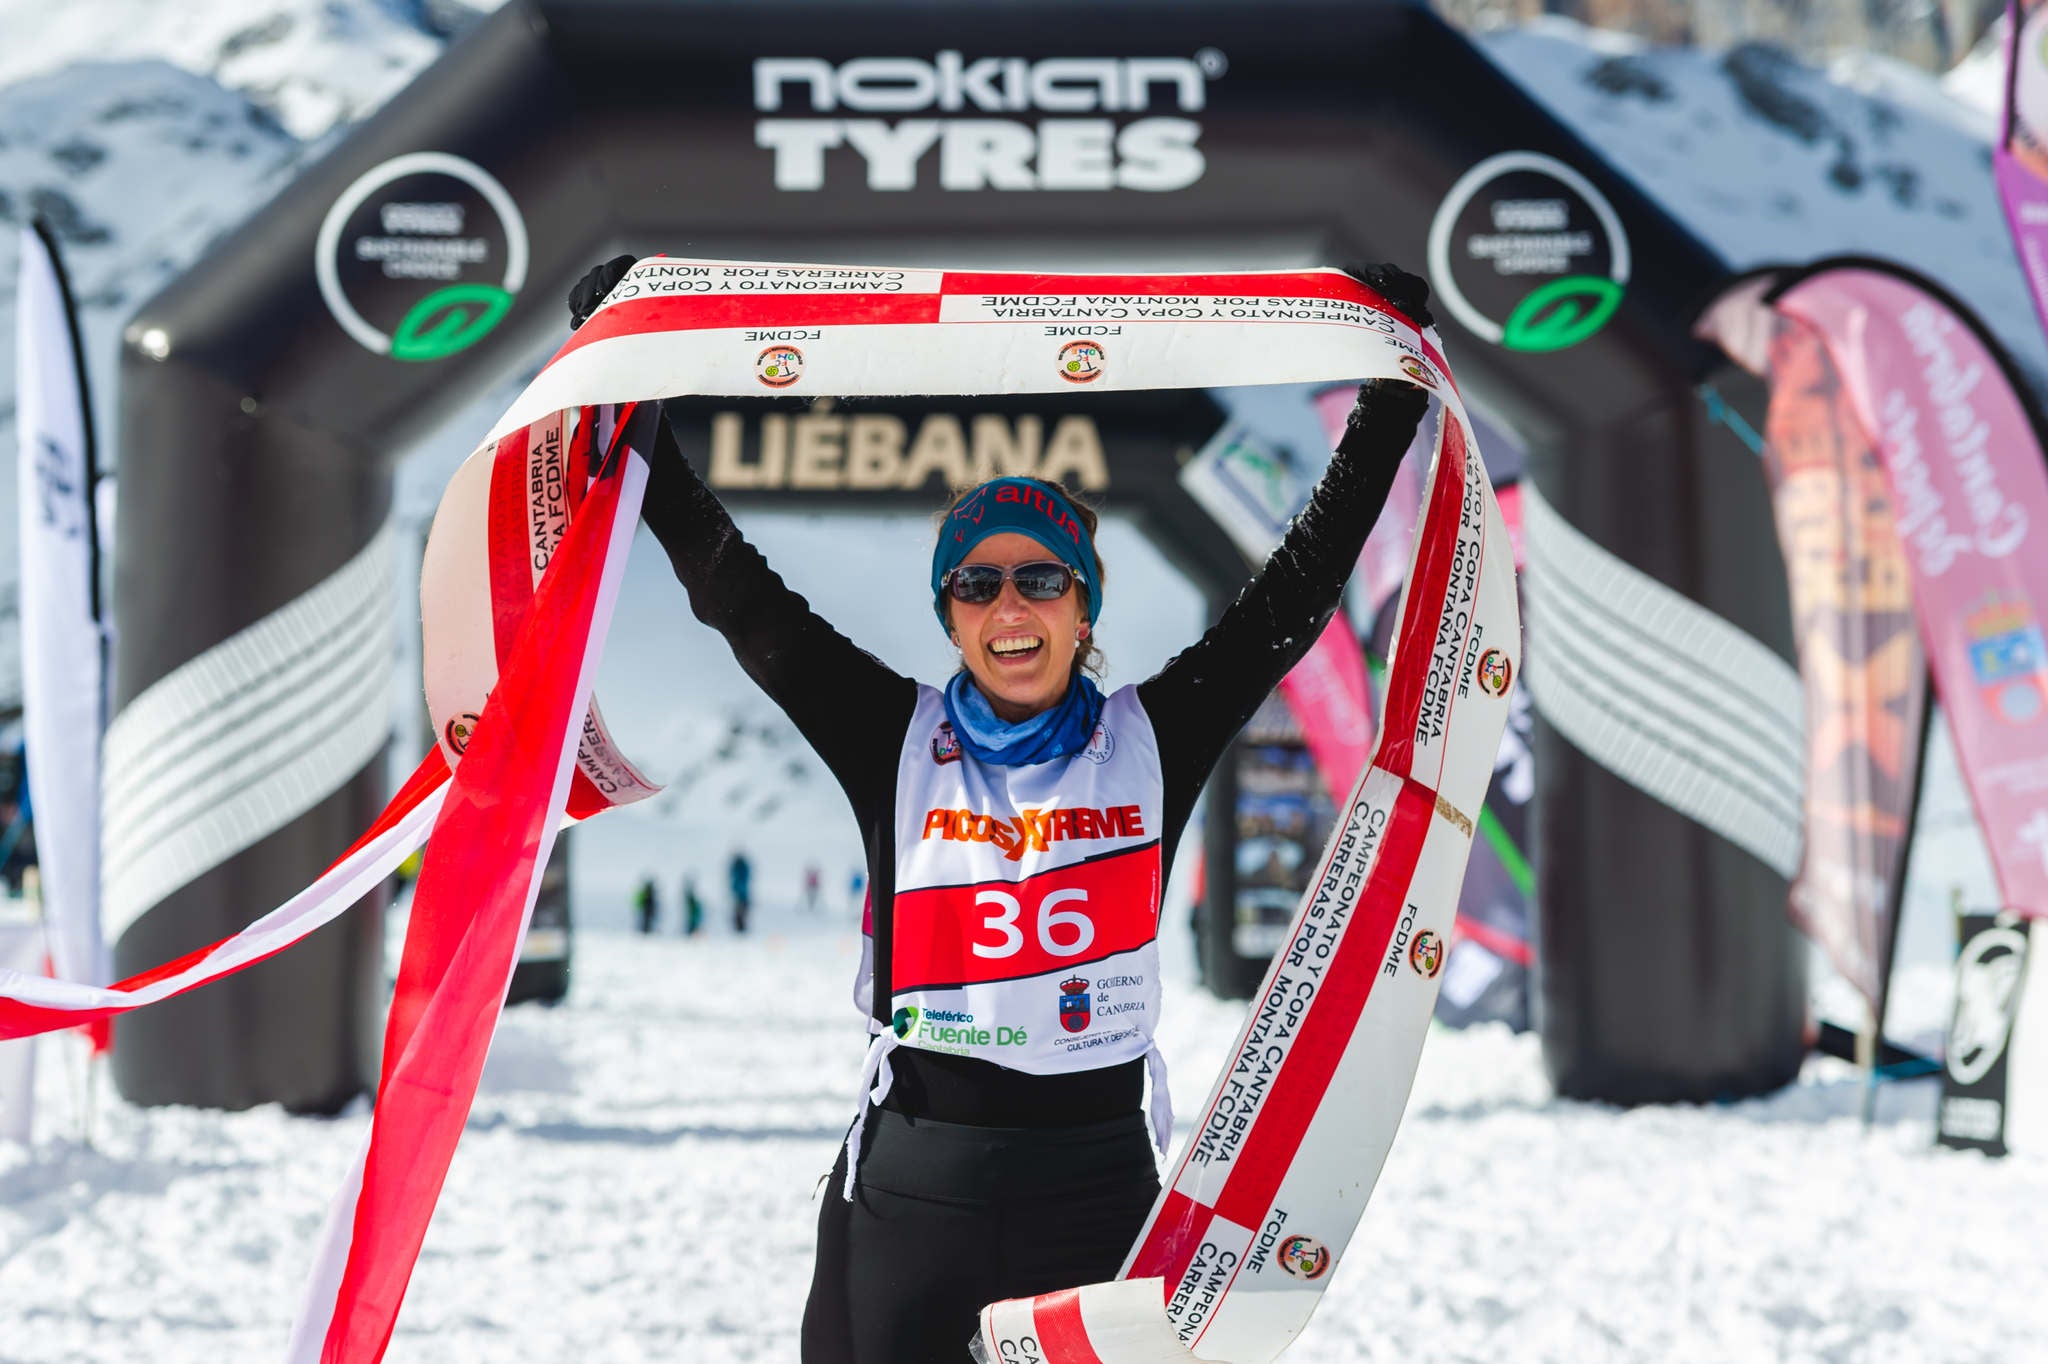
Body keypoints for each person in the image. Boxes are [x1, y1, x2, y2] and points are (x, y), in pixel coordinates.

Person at [568, 257, 1433, 1363]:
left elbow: (1295, 591)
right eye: (975, 585)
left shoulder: (1150, 740)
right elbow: (735, 592)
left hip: (1093, 1193)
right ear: (948, 614)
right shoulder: (893, 736)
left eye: (1040, 578)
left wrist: (1387, 397)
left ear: (1082, 608)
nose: (1008, 605)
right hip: (912, 1186)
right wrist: (627, 386)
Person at [728, 850, 752, 935]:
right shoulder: (739, 867)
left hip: (742, 897)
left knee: (741, 913)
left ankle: (741, 931)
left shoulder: (741, 867)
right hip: (740, 896)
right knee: (739, 914)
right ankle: (739, 931)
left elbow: (741, 882)